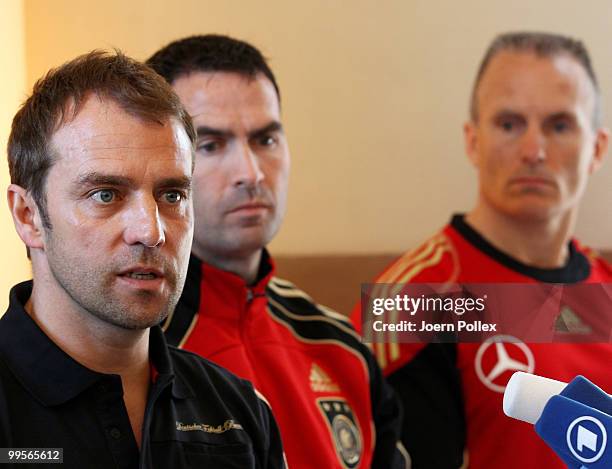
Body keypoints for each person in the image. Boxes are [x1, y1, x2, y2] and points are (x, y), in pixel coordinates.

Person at [0, 50, 286, 468]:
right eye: (105, 195)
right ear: (29, 216)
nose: (151, 231)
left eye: (172, 195)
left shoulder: (239, 412)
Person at [351, 32, 612, 468]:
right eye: (509, 124)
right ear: (473, 141)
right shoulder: (411, 301)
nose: (534, 151)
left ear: (597, 148)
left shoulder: (603, 292)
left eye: (560, 125)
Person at [147, 35, 409, 469]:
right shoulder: (130, 350)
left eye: (265, 140)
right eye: (210, 145)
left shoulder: (342, 347)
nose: (250, 173)